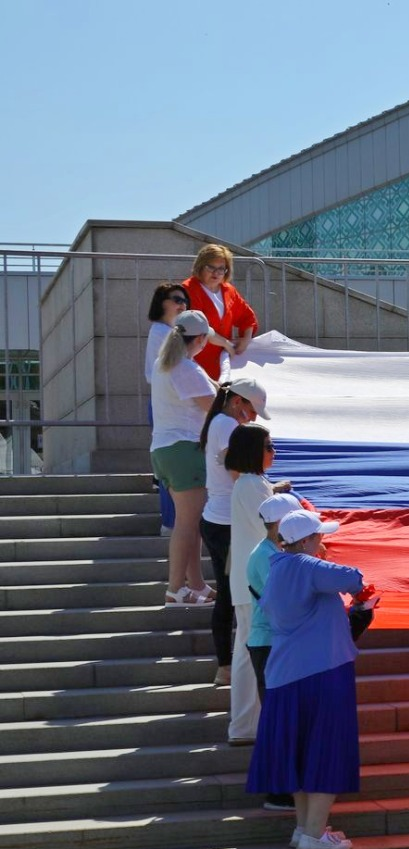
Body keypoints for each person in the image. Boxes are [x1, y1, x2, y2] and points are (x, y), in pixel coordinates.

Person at [246, 509, 365, 849]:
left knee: (298, 753)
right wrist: (320, 561)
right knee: (326, 748)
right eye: (320, 537)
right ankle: (314, 834)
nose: (324, 542)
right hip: (322, 672)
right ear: (309, 540)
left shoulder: (278, 568)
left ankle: (305, 828)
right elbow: (354, 578)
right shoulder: (307, 566)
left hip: (285, 675)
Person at [198, 378, 271, 695]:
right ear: (238, 401)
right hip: (227, 523)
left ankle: (225, 666)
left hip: (219, 518)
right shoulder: (227, 425)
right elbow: (237, 470)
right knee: (231, 595)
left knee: (229, 594)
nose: (252, 418)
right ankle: (226, 666)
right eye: (252, 410)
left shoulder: (218, 421)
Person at [225, 420, 289, 746]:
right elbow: (271, 524)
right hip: (256, 583)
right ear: (254, 451)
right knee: (251, 656)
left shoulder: (252, 483)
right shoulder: (251, 485)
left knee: (247, 654)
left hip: (249, 582)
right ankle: (245, 726)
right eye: (268, 446)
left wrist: (275, 490)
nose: (273, 452)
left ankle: (245, 725)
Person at [243, 491, 305, 814]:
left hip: (271, 642)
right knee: (278, 717)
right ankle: (278, 791)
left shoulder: (270, 552)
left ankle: (283, 787)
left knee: (280, 716)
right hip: (269, 643)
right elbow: (283, 600)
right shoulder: (267, 557)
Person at [149, 311, 217, 605]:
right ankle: (176, 588)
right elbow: (214, 409)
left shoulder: (163, 365)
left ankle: (196, 586)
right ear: (200, 339)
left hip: (164, 451)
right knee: (188, 525)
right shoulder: (186, 368)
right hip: (185, 450)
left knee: (187, 522)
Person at [143, 283, 195, 535]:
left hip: (173, 405)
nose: (181, 304)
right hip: (166, 405)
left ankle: (174, 522)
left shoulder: (171, 332)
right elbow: (165, 372)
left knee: (174, 468)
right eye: (175, 299)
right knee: (170, 468)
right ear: (161, 302)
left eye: (184, 300)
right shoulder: (161, 331)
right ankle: (170, 522)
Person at [183, 243, 258, 381]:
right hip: (196, 361)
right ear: (200, 266)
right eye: (211, 267)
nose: (216, 273)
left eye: (221, 269)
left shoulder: (228, 290)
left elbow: (247, 317)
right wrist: (226, 344)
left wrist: (246, 339)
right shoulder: (189, 289)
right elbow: (198, 327)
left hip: (222, 363)